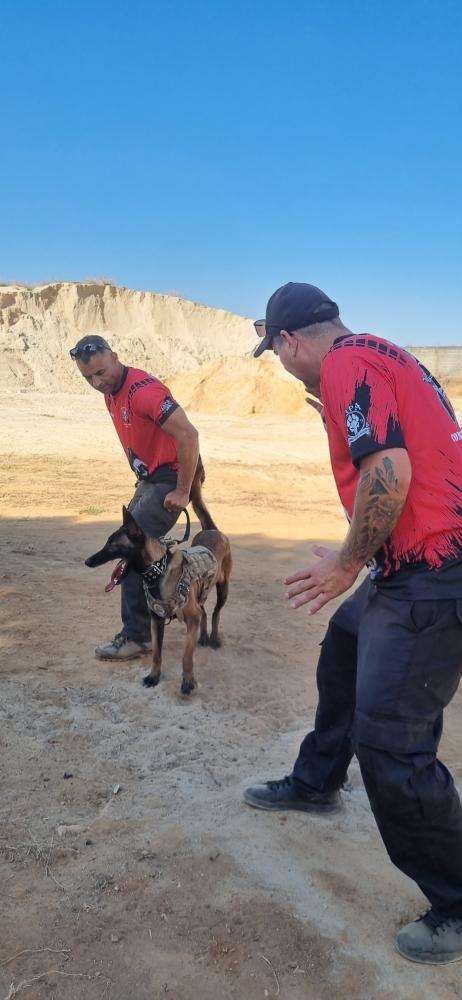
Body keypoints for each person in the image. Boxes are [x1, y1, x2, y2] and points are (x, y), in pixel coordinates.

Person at [245, 282, 462, 964]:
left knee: (391, 743)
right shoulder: (376, 352)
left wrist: (347, 563)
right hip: (414, 562)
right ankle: (318, 781)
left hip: (433, 572)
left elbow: (389, 468)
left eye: (275, 354)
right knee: (344, 643)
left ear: (288, 342)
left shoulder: (344, 365)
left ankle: (458, 899)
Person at [70, 334, 200, 660]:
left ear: (115, 357)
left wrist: (183, 490)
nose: (97, 382)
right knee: (141, 549)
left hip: (170, 478)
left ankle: (137, 637)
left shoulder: (143, 392)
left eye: (101, 372)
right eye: (88, 378)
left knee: (132, 551)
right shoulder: (112, 391)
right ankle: (159, 611)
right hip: (152, 478)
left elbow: (188, 434)